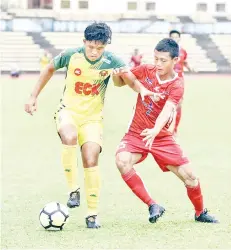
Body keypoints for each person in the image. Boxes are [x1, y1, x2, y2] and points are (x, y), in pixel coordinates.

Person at [25, 22, 154, 229]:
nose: (94, 52)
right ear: (84, 42)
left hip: (93, 119)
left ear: (106, 46)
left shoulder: (112, 61)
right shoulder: (71, 55)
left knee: (91, 158)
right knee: (69, 136)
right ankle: (73, 190)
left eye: (100, 48)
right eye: (91, 47)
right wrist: (33, 97)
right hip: (68, 111)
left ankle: (92, 214)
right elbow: (49, 69)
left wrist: (142, 90)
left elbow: (129, 79)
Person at [116, 38, 218, 224]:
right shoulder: (146, 70)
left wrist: (155, 129)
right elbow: (122, 82)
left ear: (175, 60)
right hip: (137, 133)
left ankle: (200, 212)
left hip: (161, 137)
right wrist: (118, 75)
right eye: (155, 58)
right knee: (122, 161)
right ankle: (152, 205)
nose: (158, 64)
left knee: (190, 177)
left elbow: (168, 109)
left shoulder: (177, 84)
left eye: (163, 60)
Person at [169, 30, 195, 135]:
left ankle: (174, 130)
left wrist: (190, 67)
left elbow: (184, 61)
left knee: (178, 105)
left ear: (179, 38)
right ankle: (164, 128)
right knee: (166, 104)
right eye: (172, 37)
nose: (174, 39)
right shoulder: (165, 51)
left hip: (179, 80)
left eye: (176, 37)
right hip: (168, 80)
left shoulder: (183, 51)